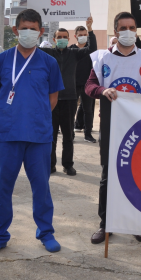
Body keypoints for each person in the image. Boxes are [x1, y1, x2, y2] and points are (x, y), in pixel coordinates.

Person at [0, 9, 65, 257]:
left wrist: (35, 116)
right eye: (24, 28)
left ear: (41, 31)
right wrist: (11, 115)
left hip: (39, 135)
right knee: (2, 188)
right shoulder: (1, 60)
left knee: (41, 187)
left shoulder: (49, 62)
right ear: (15, 30)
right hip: (8, 134)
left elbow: (53, 99)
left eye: (33, 28)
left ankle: (46, 232)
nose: (28, 32)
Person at [85, 11, 141, 245]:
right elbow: (89, 86)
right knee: (108, 174)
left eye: (132, 28)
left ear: (136, 31)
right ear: (115, 31)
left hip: (140, 125)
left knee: (139, 173)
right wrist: (103, 91)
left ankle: (136, 222)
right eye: (123, 28)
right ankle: (106, 223)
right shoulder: (102, 58)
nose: (128, 32)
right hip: (111, 123)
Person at [39, 16, 97, 175]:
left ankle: (68, 164)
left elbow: (92, 49)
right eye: (59, 37)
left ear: (69, 39)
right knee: (50, 135)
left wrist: (90, 29)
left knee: (68, 135)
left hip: (70, 99)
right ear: (54, 39)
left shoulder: (74, 53)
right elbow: (31, 48)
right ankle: (50, 164)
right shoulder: (48, 53)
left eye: (65, 37)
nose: (62, 39)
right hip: (51, 99)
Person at [71, 24, 96, 141]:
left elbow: (93, 46)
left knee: (88, 111)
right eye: (80, 35)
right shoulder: (71, 50)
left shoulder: (90, 50)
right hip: (73, 85)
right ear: (75, 36)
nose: (83, 37)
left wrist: (90, 29)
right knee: (71, 111)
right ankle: (70, 134)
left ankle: (88, 134)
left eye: (85, 35)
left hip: (87, 85)